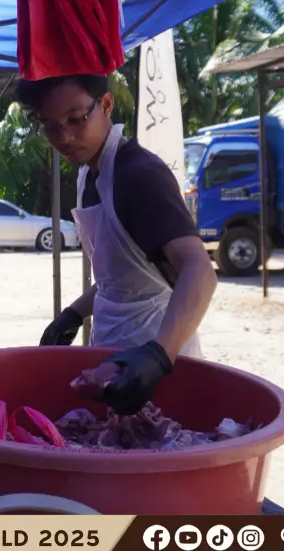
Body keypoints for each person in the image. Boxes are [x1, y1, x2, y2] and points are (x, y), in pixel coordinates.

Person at [17, 74, 217, 416]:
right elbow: (120, 276)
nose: (64, 137)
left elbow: (200, 271)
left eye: (76, 119)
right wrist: (74, 313)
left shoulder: (139, 174)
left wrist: (158, 356)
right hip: (110, 356)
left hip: (153, 366)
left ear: (106, 105)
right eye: (50, 126)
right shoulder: (88, 174)